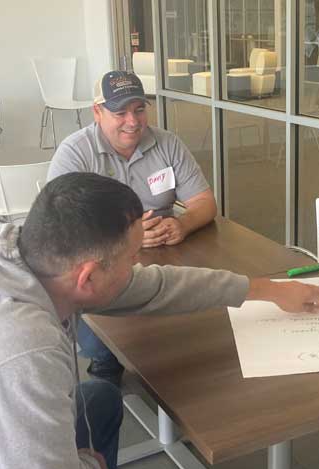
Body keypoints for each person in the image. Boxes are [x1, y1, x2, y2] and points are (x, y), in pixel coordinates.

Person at [0, 173, 319, 469]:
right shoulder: (20, 356)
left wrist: (265, 290)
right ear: (87, 277)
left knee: (101, 399)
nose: (137, 266)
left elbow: (159, 286)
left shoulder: (18, 257)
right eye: (131, 256)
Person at [47, 70, 218, 384]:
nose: (133, 120)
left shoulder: (168, 143)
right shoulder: (74, 153)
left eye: (139, 109)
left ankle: (185, 395)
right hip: (101, 270)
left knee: (199, 322)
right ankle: (107, 372)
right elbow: (62, 230)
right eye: (120, 112)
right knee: (106, 344)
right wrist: (128, 238)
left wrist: (183, 224)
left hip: (168, 258)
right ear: (97, 112)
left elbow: (205, 202)